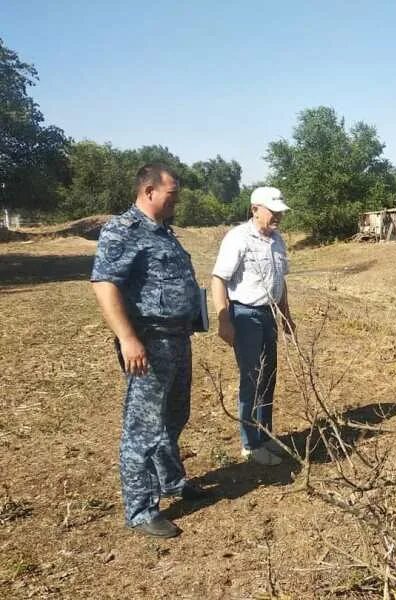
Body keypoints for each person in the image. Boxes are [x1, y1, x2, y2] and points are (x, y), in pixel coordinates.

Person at [91, 163, 209, 539]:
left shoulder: (164, 233)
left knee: (175, 416)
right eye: (172, 194)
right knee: (142, 428)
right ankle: (141, 509)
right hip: (148, 343)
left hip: (178, 339)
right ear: (148, 192)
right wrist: (127, 338)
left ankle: (172, 481)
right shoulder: (122, 230)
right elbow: (105, 285)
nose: (177, 200)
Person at [211, 186, 295, 466]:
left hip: (269, 315)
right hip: (246, 316)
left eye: (280, 212)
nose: (278, 217)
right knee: (252, 378)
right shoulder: (238, 238)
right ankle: (250, 444)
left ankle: (265, 433)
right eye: (273, 211)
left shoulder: (277, 241)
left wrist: (286, 317)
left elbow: (280, 283)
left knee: (269, 376)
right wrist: (224, 320)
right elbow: (219, 279)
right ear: (255, 209)